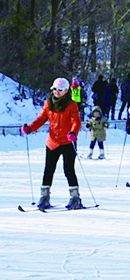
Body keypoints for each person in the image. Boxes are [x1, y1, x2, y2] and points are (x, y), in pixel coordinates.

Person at [23, 77, 83, 210]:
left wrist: (73, 132)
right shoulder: (48, 103)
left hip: (68, 142)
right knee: (48, 169)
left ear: (66, 91)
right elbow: (41, 119)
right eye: (55, 89)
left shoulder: (71, 104)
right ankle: (44, 197)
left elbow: (76, 122)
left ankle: (75, 197)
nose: (57, 92)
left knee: (68, 170)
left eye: (60, 90)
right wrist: (30, 128)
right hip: (52, 142)